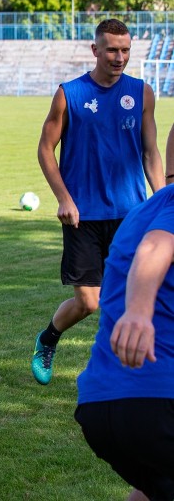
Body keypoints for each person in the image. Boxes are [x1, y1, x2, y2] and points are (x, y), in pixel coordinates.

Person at [31, 18, 165, 385]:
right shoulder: (69, 94)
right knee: (89, 303)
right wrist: (63, 198)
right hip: (83, 215)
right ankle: (48, 338)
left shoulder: (142, 93)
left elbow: (151, 152)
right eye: (112, 50)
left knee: (137, 297)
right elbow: (45, 149)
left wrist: (163, 201)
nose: (119, 57)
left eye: (125, 50)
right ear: (95, 50)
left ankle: (134, 373)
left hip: (132, 215)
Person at [74, 183, 174, 501]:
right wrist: (138, 312)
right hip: (159, 398)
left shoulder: (144, 210)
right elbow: (155, 247)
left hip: (102, 404)